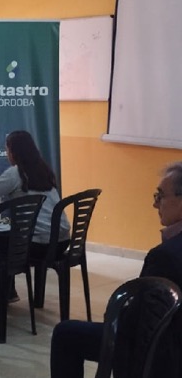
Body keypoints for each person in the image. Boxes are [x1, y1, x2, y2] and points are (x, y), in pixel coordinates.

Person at [50, 161, 182, 378]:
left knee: (66, 333)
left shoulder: (165, 256)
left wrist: (117, 314)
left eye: (160, 196)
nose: (155, 204)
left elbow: (142, 323)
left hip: (163, 356)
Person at [0, 130, 71, 300]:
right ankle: (9, 292)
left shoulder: (15, 172)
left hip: (39, 245)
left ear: (13, 152)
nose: (7, 154)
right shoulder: (43, 169)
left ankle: (1, 294)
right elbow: (21, 191)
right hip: (61, 242)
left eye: (7, 150)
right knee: (6, 237)